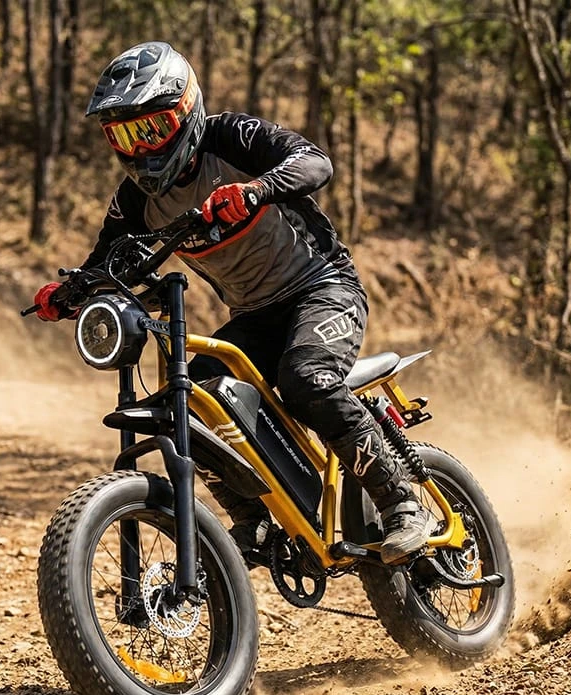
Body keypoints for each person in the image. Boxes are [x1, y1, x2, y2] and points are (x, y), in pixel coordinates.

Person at [34, 41, 435, 564]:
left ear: (184, 111)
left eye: (149, 129)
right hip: (254, 318)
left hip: (323, 287)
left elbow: (315, 163)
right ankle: (254, 521)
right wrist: (67, 294)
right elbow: (106, 260)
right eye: (124, 135)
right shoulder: (137, 199)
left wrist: (256, 190)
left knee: (306, 377)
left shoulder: (232, 138)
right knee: (191, 404)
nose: (139, 149)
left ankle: (402, 500)